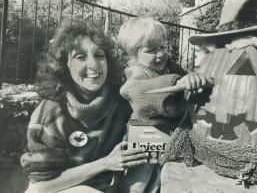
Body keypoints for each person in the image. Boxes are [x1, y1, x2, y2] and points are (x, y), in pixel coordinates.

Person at [20, 20, 149, 193]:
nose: (93, 65)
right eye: (80, 57)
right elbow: (43, 185)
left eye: (99, 55)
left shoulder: (121, 103)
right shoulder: (51, 112)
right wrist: (105, 163)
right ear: (63, 65)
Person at [117, 17, 211, 192]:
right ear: (133, 53)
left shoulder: (170, 67)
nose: (160, 54)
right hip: (144, 139)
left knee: (168, 179)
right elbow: (140, 93)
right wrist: (180, 83)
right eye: (151, 50)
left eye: (163, 47)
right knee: (139, 181)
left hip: (168, 136)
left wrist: (194, 80)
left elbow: (186, 81)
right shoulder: (134, 73)